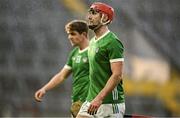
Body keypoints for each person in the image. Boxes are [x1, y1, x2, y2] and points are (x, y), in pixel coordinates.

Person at [77, 2, 125, 118]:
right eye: (89, 13)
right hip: (91, 100)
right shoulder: (93, 41)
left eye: (94, 13)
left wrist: (99, 99)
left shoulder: (112, 42)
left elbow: (117, 75)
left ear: (105, 18)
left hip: (110, 104)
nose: (89, 17)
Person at [34, 20, 89, 117]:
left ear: (83, 34)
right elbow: (61, 76)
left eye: (73, 34)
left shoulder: (94, 51)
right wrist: (44, 89)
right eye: (69, 34)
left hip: (90, 100)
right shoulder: (74, 53)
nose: (69, 37)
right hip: (77, 100)